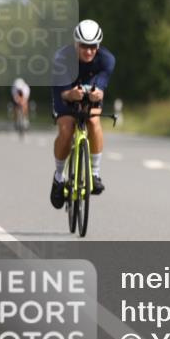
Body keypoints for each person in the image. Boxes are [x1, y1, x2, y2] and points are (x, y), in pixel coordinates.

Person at [49, 19, 116, 209]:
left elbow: (101, 90)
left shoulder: (107, 60)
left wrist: (97, 94)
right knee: (67, 128)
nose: (88, 51)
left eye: (93, 47)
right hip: (65, 91)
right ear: (76, 44)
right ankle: (59, 177)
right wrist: (71, 94)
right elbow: (63, 93)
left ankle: (94, 174)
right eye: (84, 46)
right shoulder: (61, 58)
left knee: (94, 122)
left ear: (98, 45)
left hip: (90, 93)